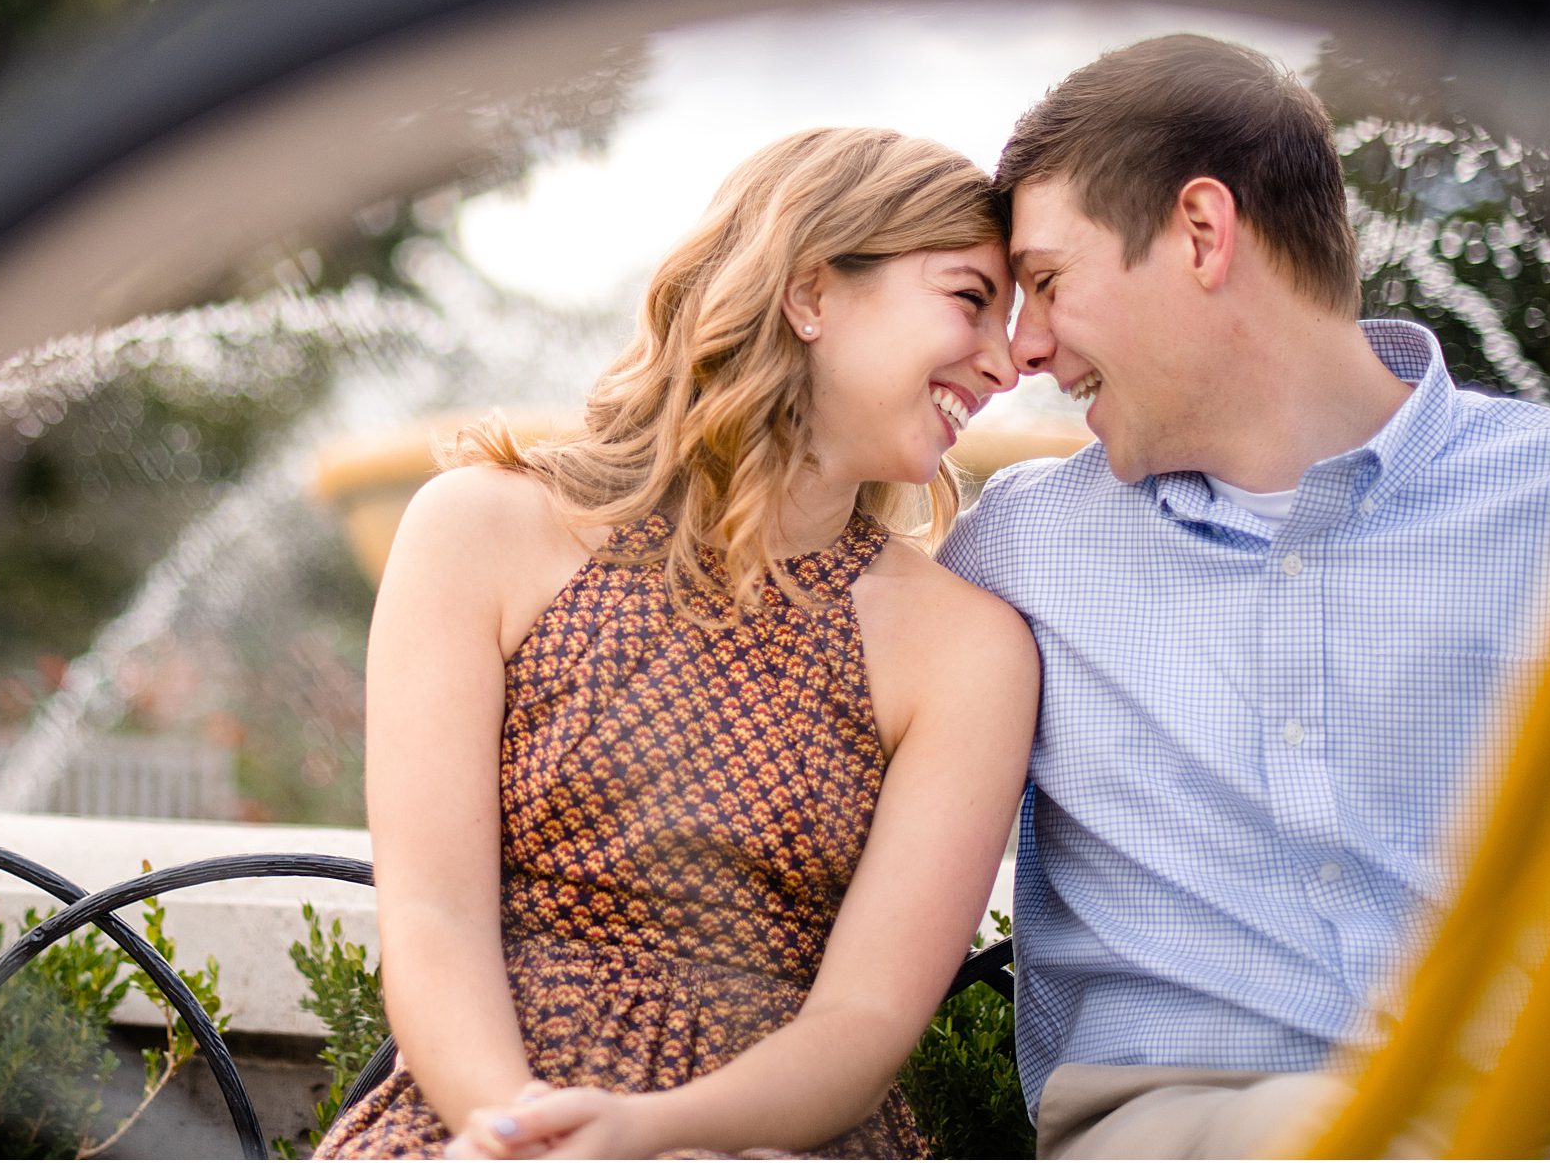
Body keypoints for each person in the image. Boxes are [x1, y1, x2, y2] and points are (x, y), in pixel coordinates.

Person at [936, 33, 1550, 1158]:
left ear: (1203, 233)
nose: (1026, 348)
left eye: (1049, 283)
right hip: (1188, 1138)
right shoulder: (1015, 551)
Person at [315, 127, 1035, 1160]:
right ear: (811, 291)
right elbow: (433, 920)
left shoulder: (968, 647)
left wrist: (651, 1134)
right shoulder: (478, 527)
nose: (1007, 361)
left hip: (769, 1136)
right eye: (970, 298)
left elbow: (863, 1024)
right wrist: (518, 1128)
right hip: (475, 1114)